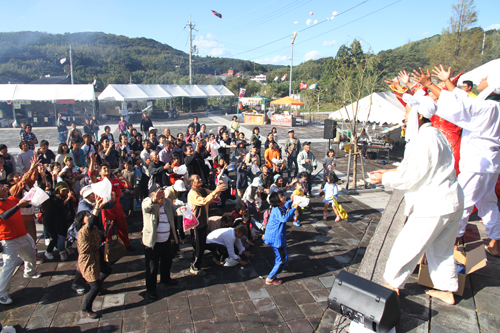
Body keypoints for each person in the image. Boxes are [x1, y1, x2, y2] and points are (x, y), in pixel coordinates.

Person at [369, 92, 464, 305]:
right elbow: (416, 168)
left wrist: (384, 178)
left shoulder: (425, 140)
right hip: (451, 199)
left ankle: (392, 284)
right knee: (442, 249)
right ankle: (447, 288)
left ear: (418, 116)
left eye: (408, 112)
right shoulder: (436, 134)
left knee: (408, 244)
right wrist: (389, 174)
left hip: (435, 203)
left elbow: (411, 176)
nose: (405, 117)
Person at [414, 65, 500, 257]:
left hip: (477, 162)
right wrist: (446, 82)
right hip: (492, 162)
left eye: (486, 77)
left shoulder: (485, 107)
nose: (481, 80)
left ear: (493, 84)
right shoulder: (493, 105)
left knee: (461, 202)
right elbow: (464, 100)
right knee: (488, 203)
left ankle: (450, 246)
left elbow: (458, 106)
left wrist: (429, 84)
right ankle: (496, 243)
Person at [0, 184, 42, 305]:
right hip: (8, 240)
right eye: (0, 187)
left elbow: (27, 204)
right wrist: (18, 206)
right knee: (9, 265)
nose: (4, 188)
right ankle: (2, 294)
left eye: (3, 186)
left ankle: (30, 272)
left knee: (30, 254)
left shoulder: (12, 199)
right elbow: (4, 216)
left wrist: (33, 193)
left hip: (22, 235)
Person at [74, 197, 112, 318]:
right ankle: (86, 308)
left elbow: (102, 237)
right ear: (82, 220)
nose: (89, 216)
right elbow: (91, 223)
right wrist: (97, 207)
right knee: (94, 286)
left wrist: (109, 227)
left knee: (107, 270)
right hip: (88, 260)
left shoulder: (94, 229)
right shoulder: (84, 231)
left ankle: (99, 287)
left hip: (96, 255)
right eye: (86, 215)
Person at [88, 153, 134, 251]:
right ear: (99, 172)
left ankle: (125, 244)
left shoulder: (116, 180)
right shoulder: (98, 181)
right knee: (107, 229)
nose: (106, 170)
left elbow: (128, 186)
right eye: (104, 169)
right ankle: (107, 247)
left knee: (123, 226)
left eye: (107, 168)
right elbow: (91, 175)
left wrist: (125, 179)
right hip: (106, 209)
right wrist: (92, 162)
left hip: (117, 208)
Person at [141, 184, 178, 300]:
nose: (162, 197)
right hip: (153, 242)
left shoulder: (167, 202)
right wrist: (154, 200)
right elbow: (146, 207)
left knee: (167, 261)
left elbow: (174, 210)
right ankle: (151, 289)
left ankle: (165, 279)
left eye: (162, 194)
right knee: (152, 267)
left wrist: (182, 209)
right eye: (159, 195)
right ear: (152, 195)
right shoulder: (148, 202)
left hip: (166, 239)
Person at [187, 174, 226, 275]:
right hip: (196, 225)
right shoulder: (192, 193)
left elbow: (213, 195)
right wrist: (215, 192)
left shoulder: (203, 190)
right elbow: (203, 201)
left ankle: (198, 261)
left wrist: (218, 189)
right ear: (192, 183)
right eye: (197, 179)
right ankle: (195, 266)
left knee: (201, 244)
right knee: (198, 246)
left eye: (200, 177)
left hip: (204, 221)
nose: (200, 179)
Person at [263, 192, 299, 285]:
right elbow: (284, 218)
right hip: (275, 239)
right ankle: (270, 278)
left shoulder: (277, 208)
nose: (283, 197)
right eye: (281, 197)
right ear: (278, 202)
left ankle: (273, 275)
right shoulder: (278, 210)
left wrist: (291, 201)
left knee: (279, 257)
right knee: (283, 260)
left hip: (272, 238)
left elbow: (284, 207)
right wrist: (294, 208)